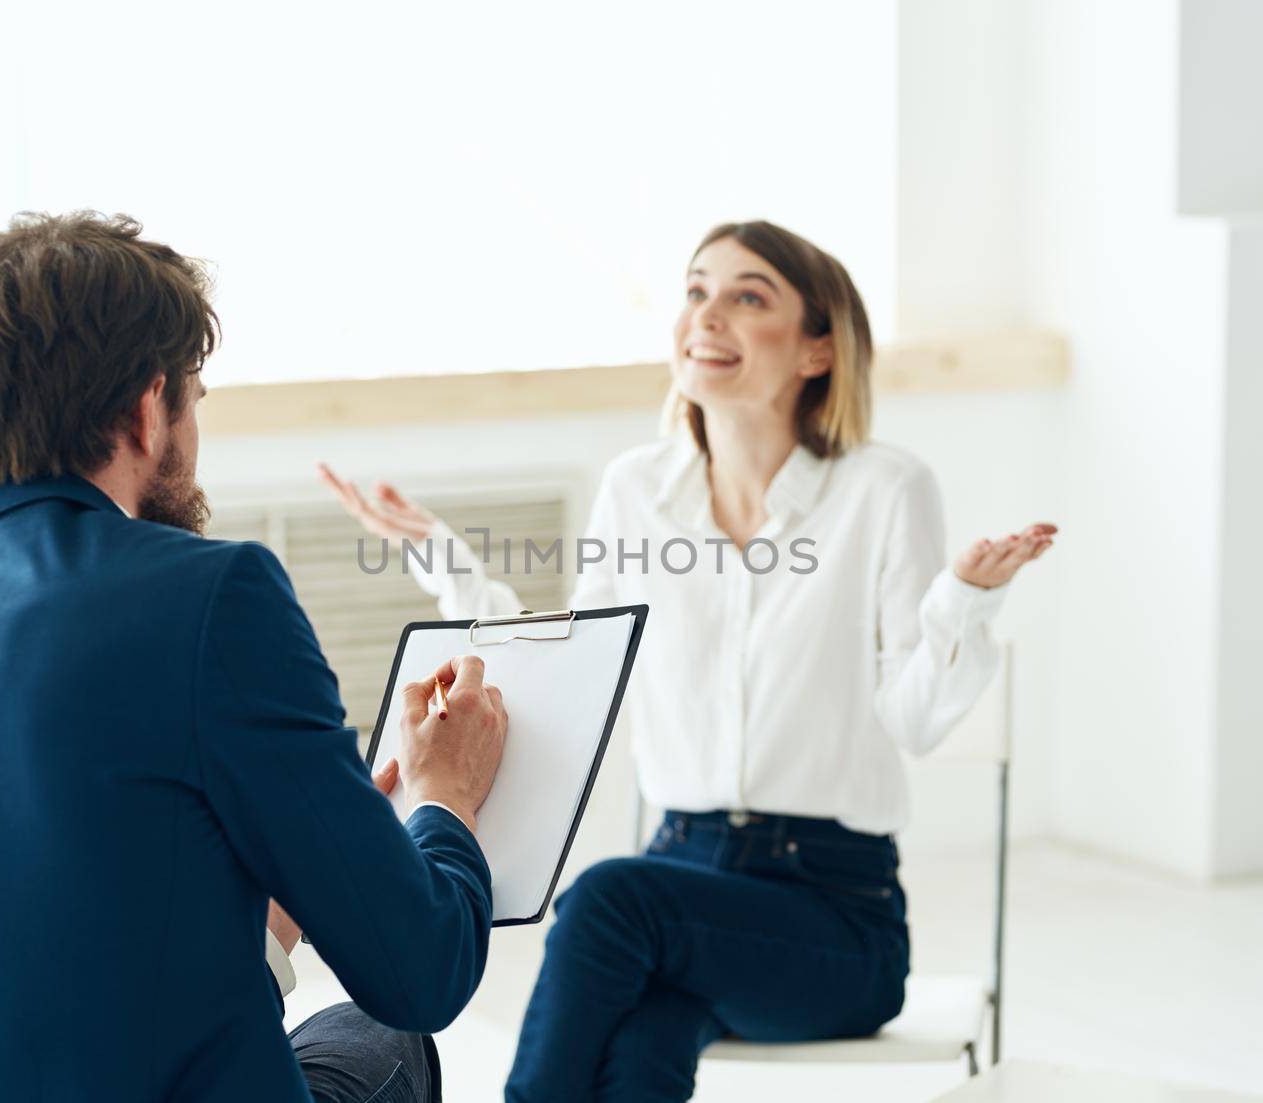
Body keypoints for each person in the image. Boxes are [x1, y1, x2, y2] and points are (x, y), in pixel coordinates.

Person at [320, 220, 1056, 1102]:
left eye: (749, 297)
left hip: (833, 915)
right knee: (641, 1049)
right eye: (697, 290)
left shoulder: (886, 489)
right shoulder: (639, 488)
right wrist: (441, 554)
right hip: (682, 874)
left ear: (819, 348)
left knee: (605, 901)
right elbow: (578, 665)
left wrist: (965, 596)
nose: (707, 315)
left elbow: (917, 719)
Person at [0, 212, 509, 1103]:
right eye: (194, 405)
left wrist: (263, 936)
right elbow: (423, 969)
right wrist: (446, 795)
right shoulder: (214, 597)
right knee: (383, 1028)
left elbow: (27, 1017)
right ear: (147, 407)